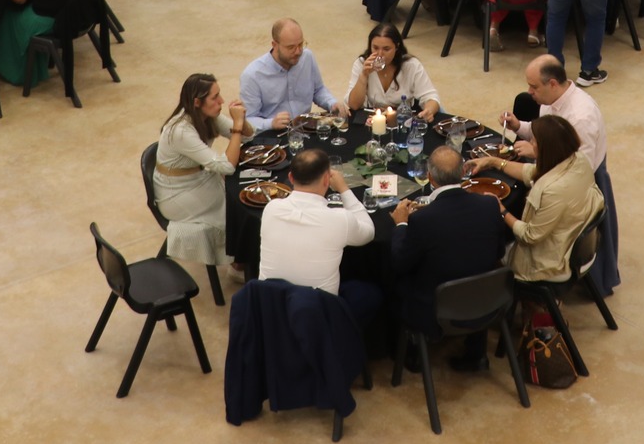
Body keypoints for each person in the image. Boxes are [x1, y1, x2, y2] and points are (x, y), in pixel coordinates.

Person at [497, 54, 617, 293]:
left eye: (533, 86)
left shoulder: (581, 118)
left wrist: (535, 152)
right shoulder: (550, 99)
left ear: (552, 83)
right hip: (556, 173)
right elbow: (543, 132)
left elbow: (579, 169)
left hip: (576, 189)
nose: (529, 92)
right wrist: (519, 126)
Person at [389, 146, 506, 366]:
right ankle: (476, 352)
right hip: (488, 300)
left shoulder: (423, 220)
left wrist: (401, 224)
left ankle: (412, 357)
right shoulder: (490, 205)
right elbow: (499, 252)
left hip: (436, 310)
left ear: (430, 177)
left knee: (396, 284)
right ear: (462, 172)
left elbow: (400, 263)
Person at [468, 115, 602, 284]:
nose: (530, 143)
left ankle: (509, 292)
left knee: (487, 249)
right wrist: (494, 162)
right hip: (569, 239)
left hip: (545, 263)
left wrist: (501, 209)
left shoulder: (552, 190)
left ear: (546, 148)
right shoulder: (578, 160)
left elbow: (529, 236)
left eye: (534, 141)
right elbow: (532, 172)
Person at [258, 149, 380, 330]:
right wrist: (344, 189)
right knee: (370, 294)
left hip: (269, 307)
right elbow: (369, 232)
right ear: (326, 180)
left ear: (290, 178)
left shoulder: (271, 208)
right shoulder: (340, 219)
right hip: (317, 316)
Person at [154, 72, 251, 269]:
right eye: (215, 97)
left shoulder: (208, 115)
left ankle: (242, 256)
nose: (221, 101)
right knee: (235, 209)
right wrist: (237, 127)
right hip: (176, 193)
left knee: (240, 198)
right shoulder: (181, 131)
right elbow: (226, 167)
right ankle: (238, 261)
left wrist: (242, 119)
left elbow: (248, 137)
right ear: (197, 102)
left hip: (198, 178)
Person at [239, 18, 338, 128]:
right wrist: (271, 124)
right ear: (274, 45)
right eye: (291, 47)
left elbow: (318, 90)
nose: (298, 52)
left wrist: (332, 103)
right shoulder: (252, 76)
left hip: (305, 128)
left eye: (300, 44)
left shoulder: (307, 58)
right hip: (272, 134)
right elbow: (248, 119)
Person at [344, 22, 441, 119]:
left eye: (386, 49)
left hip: (403, 118)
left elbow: (431, 97)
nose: (380, 54)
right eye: (375, 48)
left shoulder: (411, 65)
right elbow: (354, 105)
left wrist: (428, 111)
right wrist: (363, 76)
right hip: (373, 118)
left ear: (397, 47)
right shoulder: (361, 64)